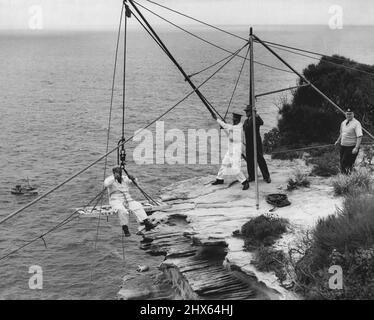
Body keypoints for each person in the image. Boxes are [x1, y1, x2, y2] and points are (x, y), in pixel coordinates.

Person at [104, 166, 155, 237]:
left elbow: (135, 184)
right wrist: (114, 178)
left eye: (120, 173)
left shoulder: (125, 178)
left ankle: (146, 223)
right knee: (122, 211)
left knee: (138, 205)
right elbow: (106, 184)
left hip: (128, 200)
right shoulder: (109, 179)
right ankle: (125, 228)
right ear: (114, 173)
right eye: (117, 173)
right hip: (116, 200)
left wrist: (133, 178)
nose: (119, 174)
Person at [211, 112, 249, 190]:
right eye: (233, 119)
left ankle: (245, 182)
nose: (233, 120)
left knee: (235, 168)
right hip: (231, 148)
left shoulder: (239, 127)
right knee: (224, 163)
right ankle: (219, 179)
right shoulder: (234, 126)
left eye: (234, 119)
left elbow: (227, 127)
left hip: (236, 149)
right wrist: (224, 128)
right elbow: (229, 133)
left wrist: (217, 119)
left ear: (238, 120)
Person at [243, 105, 271, 183]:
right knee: (250, 161)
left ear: (251, 112)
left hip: (256, 143)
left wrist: (256, 115)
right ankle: (251, 176)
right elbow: (243, 129)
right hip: (248, 144)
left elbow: (261, 122)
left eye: (247, 111)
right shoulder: (246, 121)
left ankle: (266, 177)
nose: (246, 113)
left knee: (260, 159)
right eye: (246, 111)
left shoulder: (255, 119)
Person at [335, 107, 363, 174]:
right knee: (342, 163)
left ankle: (349, 178)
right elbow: (342, 133)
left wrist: (356, 147)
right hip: (343, 146)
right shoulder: (343, 123)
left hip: (351, 147)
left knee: (346, 162)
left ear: (353, 114)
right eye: (347, 114)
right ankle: (344, 179)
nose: (348, 115)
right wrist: (338, 141)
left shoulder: (356, 123)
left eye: (350, 114)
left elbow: (359, 136)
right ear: (345, 114)